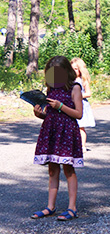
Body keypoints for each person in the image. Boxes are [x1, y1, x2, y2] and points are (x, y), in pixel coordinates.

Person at [30, 56, 84, 221]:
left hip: (67, 133)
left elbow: (79, 114)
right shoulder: (51, 89)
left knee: (68, 169)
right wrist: (40, 114)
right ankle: (50, 207)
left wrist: (61, 106)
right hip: (51, 132)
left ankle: (72, 208)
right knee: (52, 170)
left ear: (66, 72)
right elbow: (51, 115)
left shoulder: (74, 88)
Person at [71, 57, 96, 150]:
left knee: (81, 127)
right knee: (71, 127)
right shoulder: (69, 80)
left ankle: (82, 146)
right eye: (71, 69)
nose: (73, 71)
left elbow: (88, 93)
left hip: (81, 105)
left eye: (76, 69)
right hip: (71, 105)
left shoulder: (82, 80)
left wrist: (78, 96)